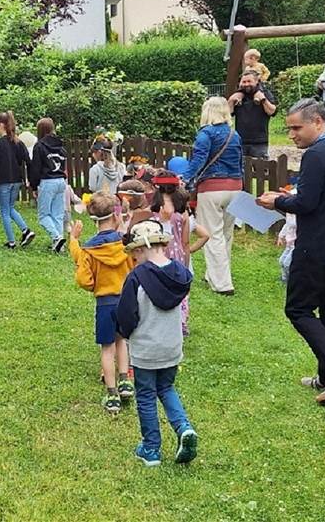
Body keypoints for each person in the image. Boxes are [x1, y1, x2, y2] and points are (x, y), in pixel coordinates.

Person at [258, 98, 325, 404]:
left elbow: (306, 204)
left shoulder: (317, 155)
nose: (291, 135)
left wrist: (276, 202)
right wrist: (292, 196)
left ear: (318, 121)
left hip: (317, 249)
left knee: (298, 309)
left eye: (296, 127)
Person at [117, 219, 197, 467]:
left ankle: (151, 448)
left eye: (134, 254)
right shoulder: (180, 275)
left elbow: (127, 315)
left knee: (147, 395)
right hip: (172, 347)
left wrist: (124, 332)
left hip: (146, 348)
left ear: (141, 249)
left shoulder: (136, 278)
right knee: (167, 388)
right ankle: (183, 427)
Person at [70, 193, 135, 416]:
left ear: (93, 220)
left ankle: (112, 393)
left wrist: (73, 240)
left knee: (107, 348)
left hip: (105, 303)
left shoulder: (89, 250)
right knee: (122, 341)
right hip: (126, 300)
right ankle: (125, 380)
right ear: (114, 216)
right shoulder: (125, 244)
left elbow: (83, 279)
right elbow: (135, 266)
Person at [183, 97, 243, 296]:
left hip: (212, 187)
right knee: (226, 234)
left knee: (212, 234)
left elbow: (199, 159)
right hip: (235, 186)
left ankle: (222, 284)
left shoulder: (206, 133)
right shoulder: (235, 134)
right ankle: (213, 274)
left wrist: (185, 179)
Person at [150, 172, 210, 337]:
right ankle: (181, 322)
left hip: (159, 252)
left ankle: (160, 321)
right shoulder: (182, 211)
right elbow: (185, 242)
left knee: (160, 286)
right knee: (179, 288)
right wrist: (185, 261)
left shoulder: (154, 209)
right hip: (178, 254)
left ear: (157, 187)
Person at [0, 111, 34, 249]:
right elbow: (27, 159)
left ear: (1, 125)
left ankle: (11, 241)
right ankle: (26, 230)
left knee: (4, 210)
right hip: (16, 179)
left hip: (3, 181)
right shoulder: (18, 142)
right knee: (10, 207)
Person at [27, 117, 68, 253]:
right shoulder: (60, 146)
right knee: (58, 214)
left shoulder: (39, 146)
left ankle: (56, 237)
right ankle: (59, 244)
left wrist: (34, 186)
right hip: (61, 181)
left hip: (47, 181)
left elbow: (35, 168)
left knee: (43, 215)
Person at [228, 69, 277, 159]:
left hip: (259, 142)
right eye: (244, 82)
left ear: (256, 82)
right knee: (241, 170)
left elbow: (272, 112)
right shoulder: (237, 95)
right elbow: (228, 115)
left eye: (249, 81)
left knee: (261, 170)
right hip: (240, 141)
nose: (246, 84)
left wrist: (263, 100)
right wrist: (231, 101)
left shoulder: (265, 93)